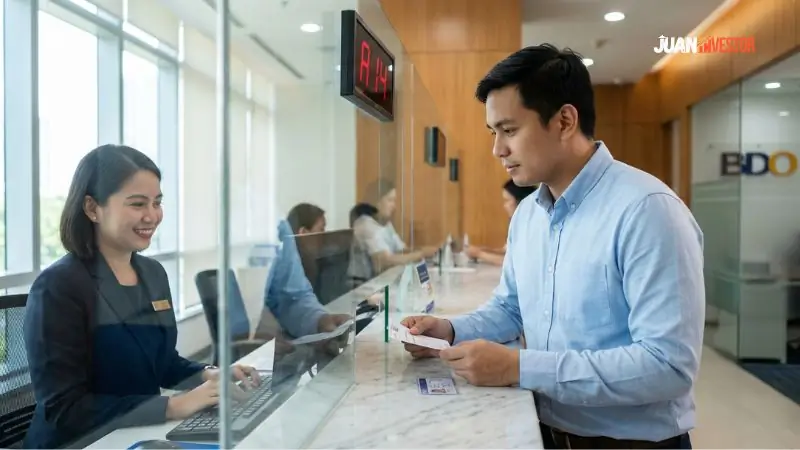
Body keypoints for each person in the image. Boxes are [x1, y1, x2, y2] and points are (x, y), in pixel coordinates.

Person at [401, 44, 703, 449]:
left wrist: (520, 367)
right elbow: (512, 308)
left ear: (564, 120)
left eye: (509, 130)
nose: (498, 150)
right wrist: (451, 330)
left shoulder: (647, 211)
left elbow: (668, 365)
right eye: (494, 133)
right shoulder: (529, 216)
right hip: (546, 432)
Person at [23, 145, 257, 449]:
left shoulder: (152, 273)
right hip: (80, 443)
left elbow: (160, 362)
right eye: (137, 204)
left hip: (136, 435)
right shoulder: (58, 286)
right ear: (93, 208)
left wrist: (207, 375)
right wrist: (174, 406)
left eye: (157, 202)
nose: (152, 216)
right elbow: (65, 407)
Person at [349, 180, 439, 282]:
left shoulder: (386, 223)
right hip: (366, 288)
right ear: (377, 201)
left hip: (386, 280)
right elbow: (384, 262)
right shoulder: (365, 225)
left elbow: (401, 250)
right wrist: (421, 254)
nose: (394, 206)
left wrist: (428, 250)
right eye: (390, 200)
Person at [465, 179, 537, 265]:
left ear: (521, 200)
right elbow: (507, 252)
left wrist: (479, 254)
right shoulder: (517, 223)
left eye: (507, 200)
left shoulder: (534, 226)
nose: (504, 205)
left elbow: (512, 263)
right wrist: (482, 250)